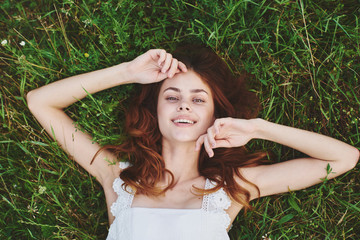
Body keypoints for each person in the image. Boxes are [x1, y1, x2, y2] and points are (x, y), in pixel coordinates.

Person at [27, 45, 359, 240]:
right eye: (172, 97)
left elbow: (342, 159)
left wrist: (259, 128)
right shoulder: (116, 177)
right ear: (154, 110)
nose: (184, 105)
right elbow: (40, 102)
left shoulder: (232, 186)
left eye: (198, 99)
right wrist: (127, 72)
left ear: (215, 113)